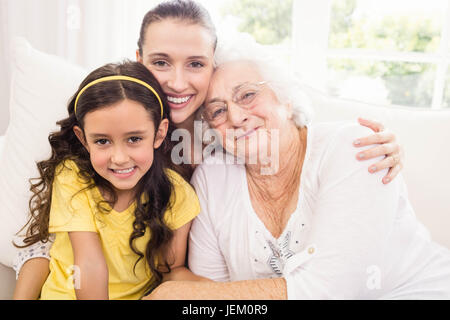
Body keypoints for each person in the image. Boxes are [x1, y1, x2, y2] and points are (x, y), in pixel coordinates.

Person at [13, 0, 404, 299]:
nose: (177, 82)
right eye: (161, 62)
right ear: (139, 60)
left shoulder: (229, 127)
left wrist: (379, 142)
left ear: (213, 64)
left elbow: (293, 125)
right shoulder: (109, 118)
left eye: (196, 64)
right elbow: (53, 246)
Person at [144, 52, 450, 299]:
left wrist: (185, 296)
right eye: (218, 112)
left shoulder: (354, 147)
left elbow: (333, 290)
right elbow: (216, 288)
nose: (236, 117)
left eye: (248, 95)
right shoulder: (212, 179)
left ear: (286, 101)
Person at [13, 61, 206, 300]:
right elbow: (90, 264)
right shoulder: (73, 176)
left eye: (134, 139)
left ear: (159, 133)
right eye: (102, 141)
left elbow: (172, 271)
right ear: (83, 139)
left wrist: (227, 292)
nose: (119, 158)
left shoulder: (178, 194)